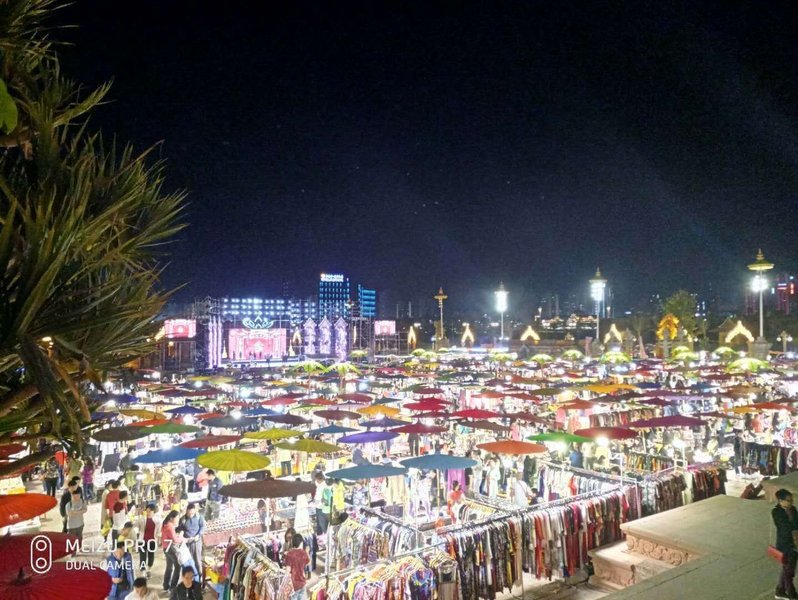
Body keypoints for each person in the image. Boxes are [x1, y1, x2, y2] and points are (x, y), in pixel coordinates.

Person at [773, 489, 798, 600]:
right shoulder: (776, 512)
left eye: (792, 500)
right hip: (785, 546)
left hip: (795, 543)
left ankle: (779, 591)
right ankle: (792, 595)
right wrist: (794, 529)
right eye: (788, 500)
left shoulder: (793, 509)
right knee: (789, 573)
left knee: (787, 570)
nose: (791, 502)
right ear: (780, 501)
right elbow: (784, 527)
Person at [177, 503, 205, 581]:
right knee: (187, 561)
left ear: (195, 511)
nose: (190, 515)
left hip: (196, 542)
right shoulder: (183, 519)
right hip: (186, 543)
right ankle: (188, 579)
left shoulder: (199, 517)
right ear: (186, 511)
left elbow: (202, 527)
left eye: (192, 513)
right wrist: (180, 533)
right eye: (189, 513)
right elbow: (179, 529)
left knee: (197, 560)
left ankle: (199, 579)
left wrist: (198, 535)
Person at [161, 510, 185, 592]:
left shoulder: (165, 524)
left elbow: (170, 536)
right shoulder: (170, 526)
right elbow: (175, 540)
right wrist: (182, 538)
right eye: (176, 518)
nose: (177, 520)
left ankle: (166, 586)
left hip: (165, 548)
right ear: (171, 518)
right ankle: (173, 587)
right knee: (178, 566)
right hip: (170, 549)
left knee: (169, 567)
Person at [135, 503, 159, 578]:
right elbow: (135, 525)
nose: (148, 513)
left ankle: (149, 569)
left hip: (152, 542)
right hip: (142, 541)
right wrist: (138, 515)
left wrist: (158, 541)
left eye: (150, 511)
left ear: (154, 512)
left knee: (151, 556)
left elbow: (158, 533)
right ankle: (143, 571)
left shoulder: (158, 521)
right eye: (147, 511)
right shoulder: (142, 519)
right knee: (142, 556)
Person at [284, 532, 310, 600]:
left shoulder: (289, 554)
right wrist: (307, 552)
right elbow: (308, 563)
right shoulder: (303, 553)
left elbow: (287, 571)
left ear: (292, 542)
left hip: (293, 585)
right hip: (302, 583)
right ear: (301, 542)